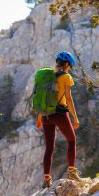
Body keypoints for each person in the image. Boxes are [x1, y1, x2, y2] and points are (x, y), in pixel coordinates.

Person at [36, 51, 81, 188]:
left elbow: (41, 99)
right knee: (71, 140)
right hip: (60, 114)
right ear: (66, 64)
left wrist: (39, 118)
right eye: (69, 66)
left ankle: (46, 179)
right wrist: (75, 118)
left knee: (49, 148)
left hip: (45, 116)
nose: (69, 68)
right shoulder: (66, 77)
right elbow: (68, 98)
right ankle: (72, 172)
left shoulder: (46, 76)